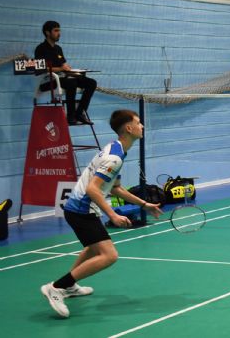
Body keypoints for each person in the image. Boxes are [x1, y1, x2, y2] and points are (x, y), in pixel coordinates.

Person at [40, 110, 163, 318]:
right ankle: (56, 287)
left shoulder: (116, 150)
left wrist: (144, 204)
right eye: (139, 123)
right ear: (128, 128)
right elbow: (92, 190)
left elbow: (115, 188)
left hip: (81, 208)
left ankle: (70, 286)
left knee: (91, 248)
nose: (142, 126)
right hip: (81, 210)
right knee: (109, 255)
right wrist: (113, 215)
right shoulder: (114, 158)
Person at [35, 21, 97, 125]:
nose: (59, 33)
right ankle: (70, 116)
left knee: (91, 83)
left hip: (63, 78)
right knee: (71, 82)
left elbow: (63, 65)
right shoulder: (41, 49)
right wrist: (60, 68)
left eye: (59, 30)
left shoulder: (58, 49)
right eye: (56, 30)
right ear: (47, 33)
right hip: (48, 81)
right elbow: (41, 69)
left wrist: (69, 69)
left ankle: (80, 113)